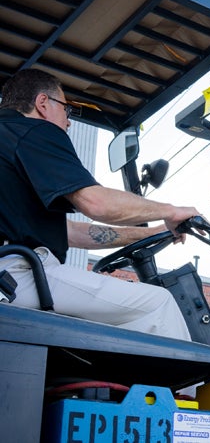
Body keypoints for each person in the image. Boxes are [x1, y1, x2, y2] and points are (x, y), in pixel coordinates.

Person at [0, 68, 198, 341]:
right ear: (43, 104)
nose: (68, 123)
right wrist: (172, 210)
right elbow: (95, 203)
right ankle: (181, 386)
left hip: (11, 276)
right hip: (17, 274)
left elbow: (73, 233)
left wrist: (153, 233)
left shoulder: (8, 144)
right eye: (66, 109)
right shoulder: (34, 131)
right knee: (158, 304)